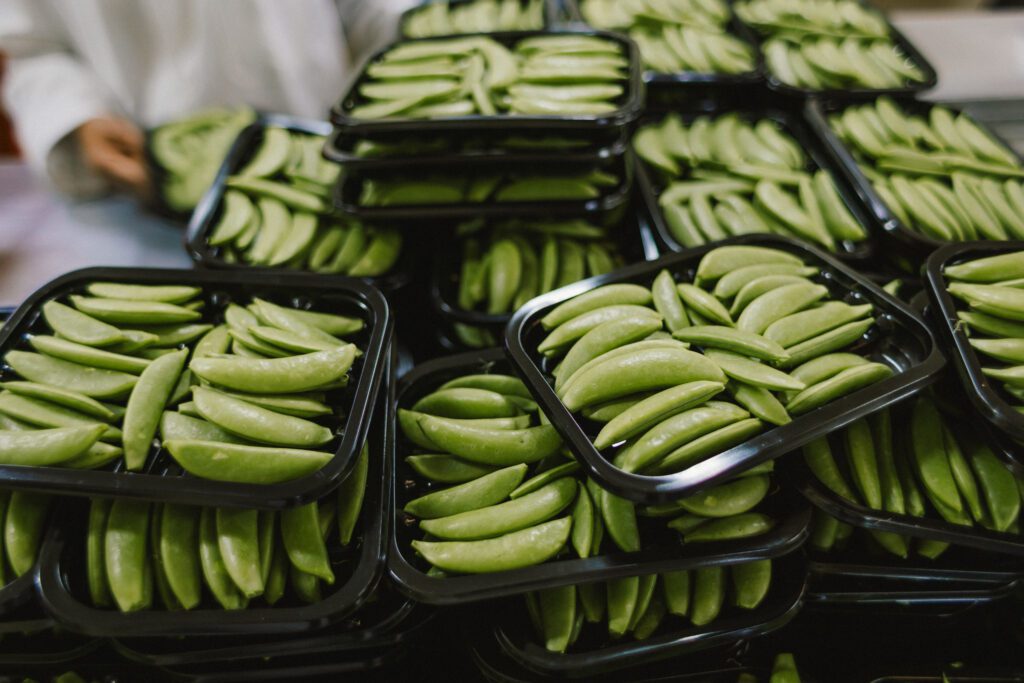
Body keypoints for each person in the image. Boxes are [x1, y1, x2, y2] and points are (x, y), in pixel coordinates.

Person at [0, 0, 413, 199]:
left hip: (334, 162)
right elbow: (30, 48)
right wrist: (75, 118)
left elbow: (376, 8)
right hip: (150, 189)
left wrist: (417, 58)